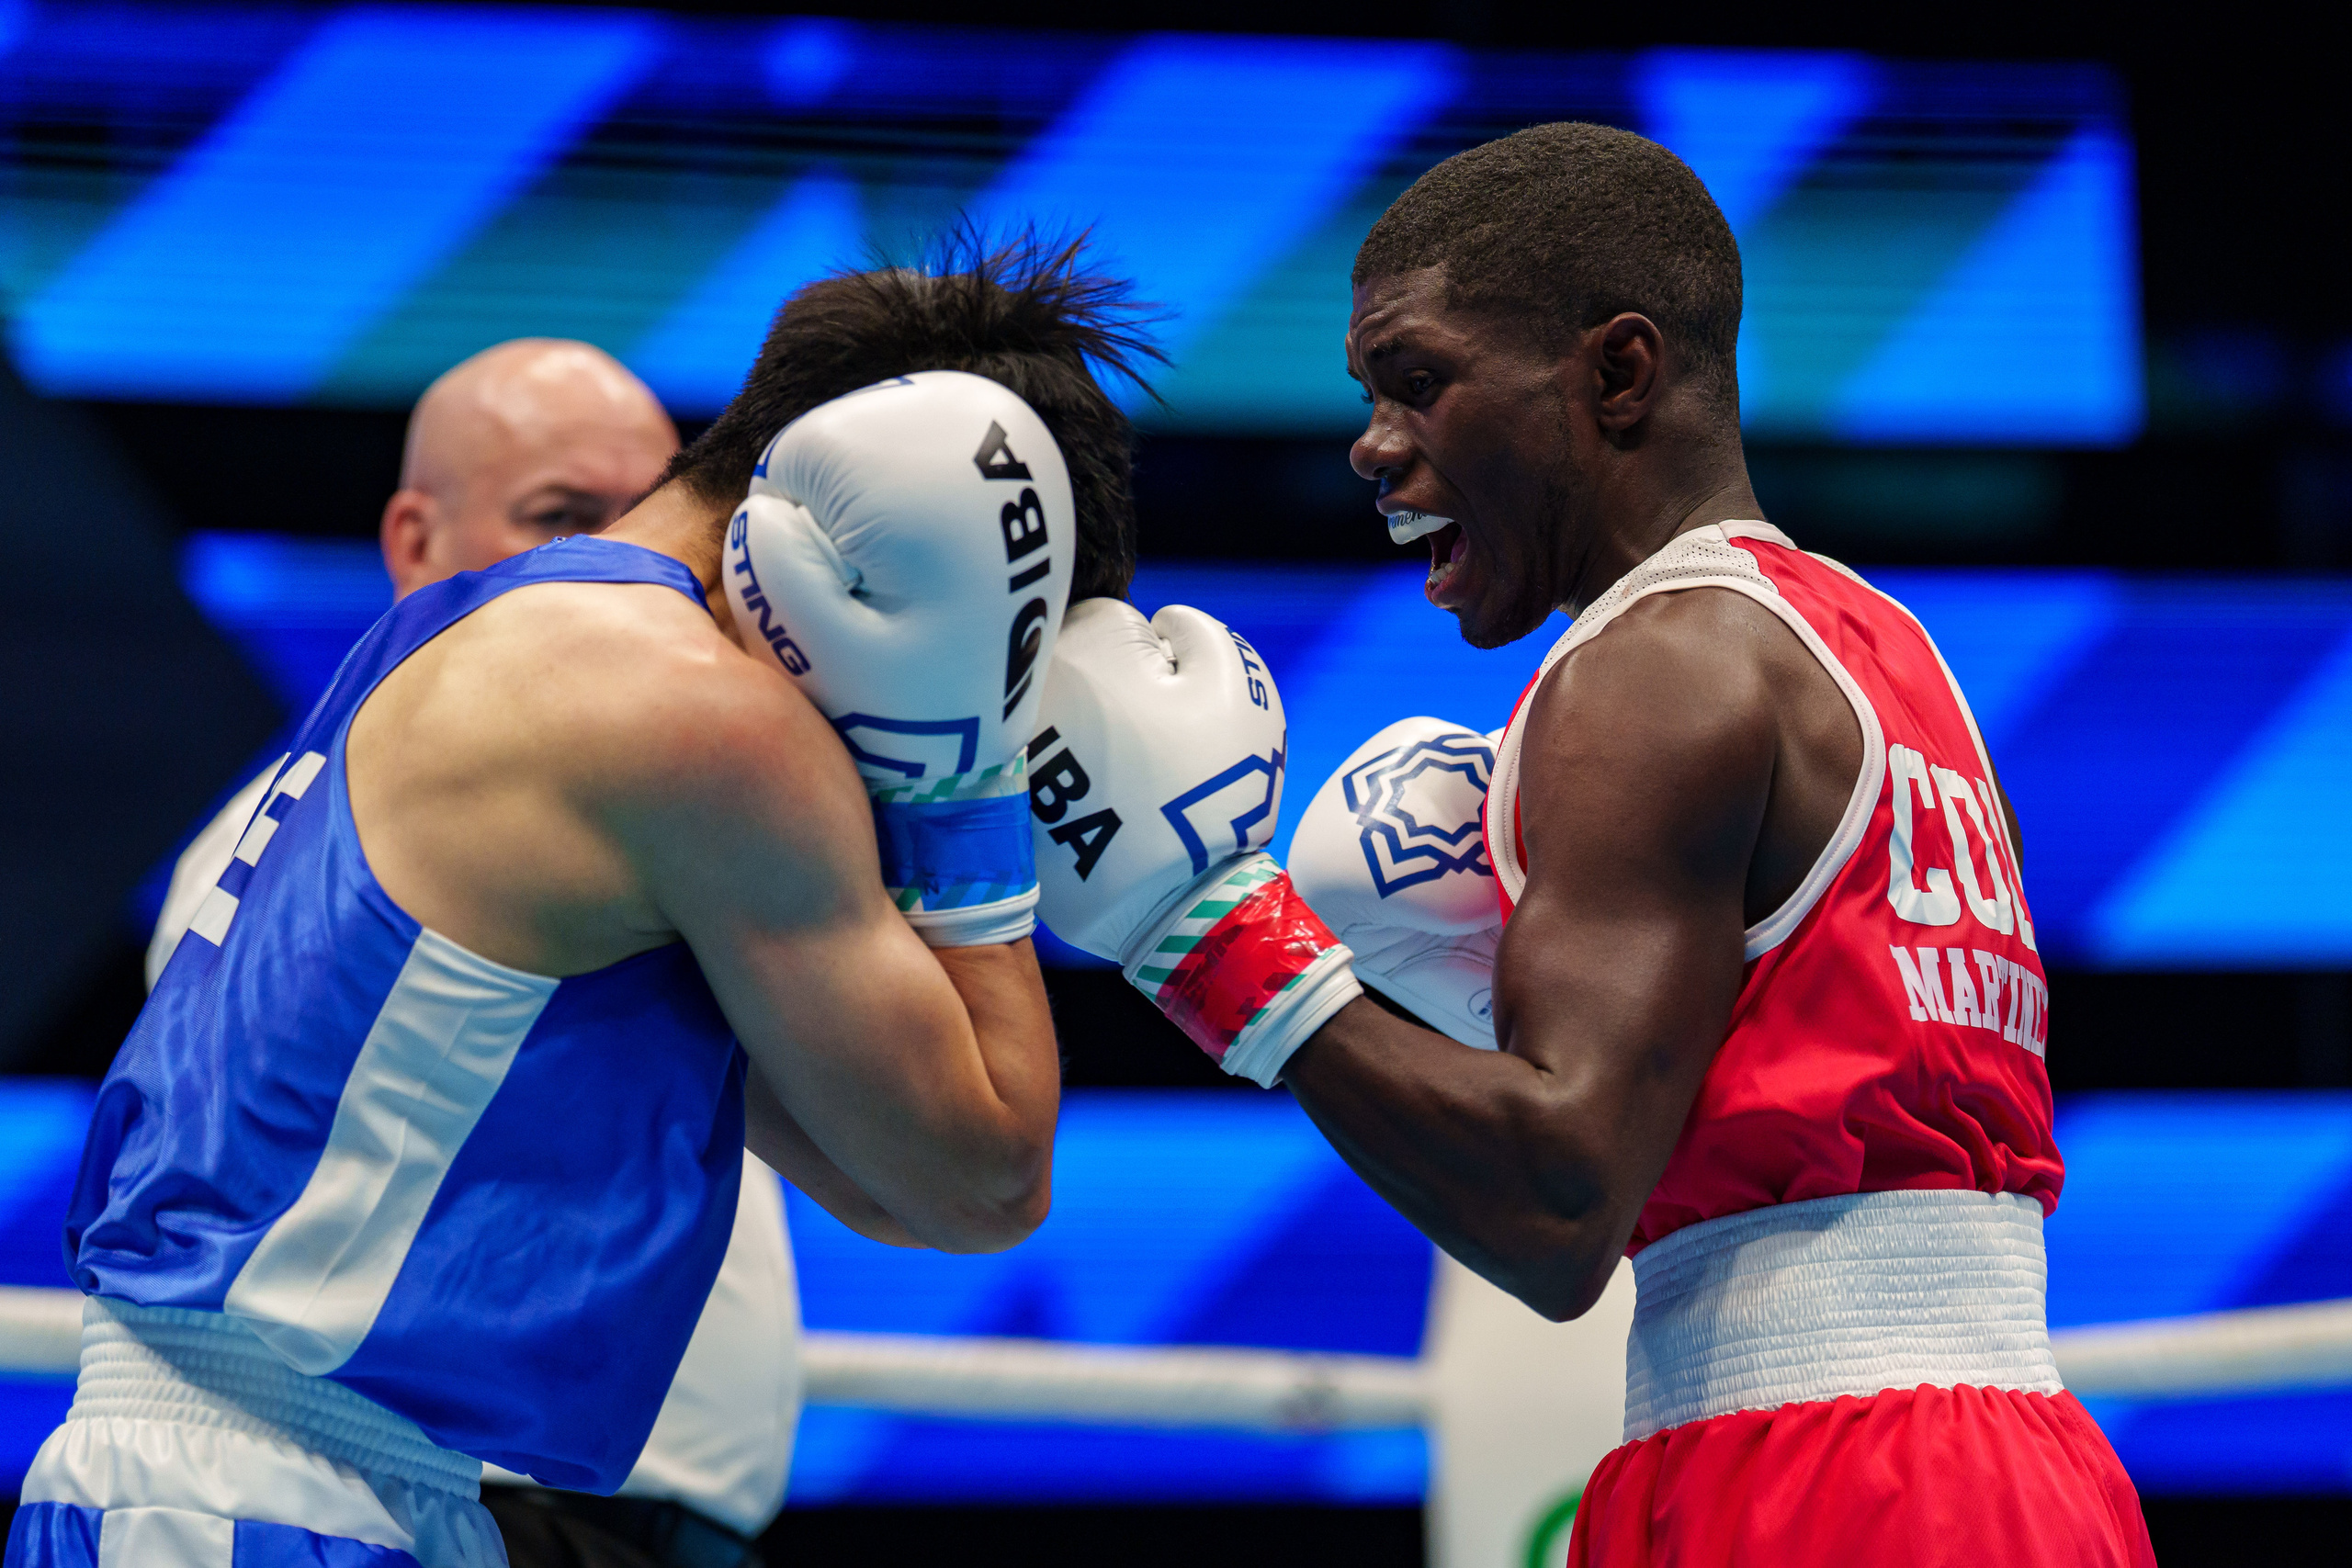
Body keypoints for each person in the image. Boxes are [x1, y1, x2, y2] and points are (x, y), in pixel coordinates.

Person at [1027, 125, 2154, 1565]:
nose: (1372, 443)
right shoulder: (1883, 647)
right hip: (2012, 1467)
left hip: (1825, 1478)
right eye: (1369, 395)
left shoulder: (1651, 669)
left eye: (1418, 381)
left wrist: (1207, 934)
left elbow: (1557, 1206)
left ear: (1618, 373)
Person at [8, 238, 1152, 1568]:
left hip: (296, 1486)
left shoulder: (473, 633)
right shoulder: (688, 711)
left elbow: (898, 1186)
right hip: (260, 1501)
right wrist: (968, 760)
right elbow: (988, 1180)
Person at [143, 339, 801, 1568]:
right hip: (445, 1503)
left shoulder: (684, 820)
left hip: (655, 1525)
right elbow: (959, 1172)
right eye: (563, 519)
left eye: (654, 524)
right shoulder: (283, 855)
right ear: (416, 542)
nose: (624, 571)